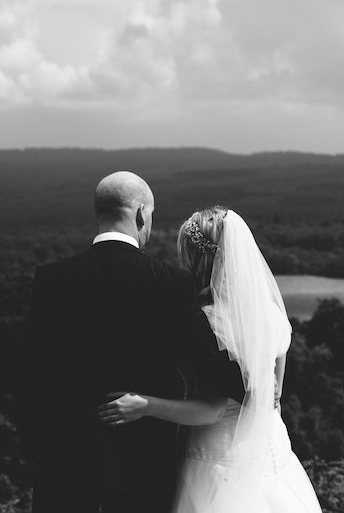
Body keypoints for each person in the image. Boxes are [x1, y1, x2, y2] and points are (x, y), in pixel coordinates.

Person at [13, 172, 244, 513]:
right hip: (143, 467)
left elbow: (28, 375)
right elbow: (222, 376)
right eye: (150, 216)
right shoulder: (171, 284)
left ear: (99, 212)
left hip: (64, 464)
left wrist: (40, 450)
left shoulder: (51, 279)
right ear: (140, 214)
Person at [95, 206, 323, 512]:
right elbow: (274, 394)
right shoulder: (271, 313)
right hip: (272, 453)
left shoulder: (207, 323)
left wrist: (145, 405)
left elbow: (213, 411)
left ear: (197, 257)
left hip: (219, 458)